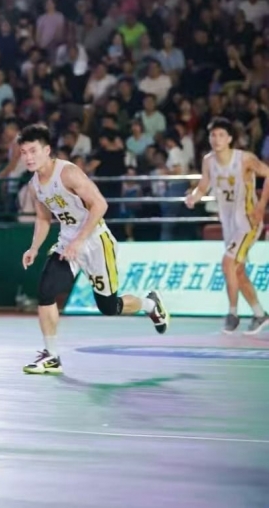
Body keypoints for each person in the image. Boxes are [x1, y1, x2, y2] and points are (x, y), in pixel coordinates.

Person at [18, 124, 169, 374]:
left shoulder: (68, 173)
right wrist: (34, 247)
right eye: (23, 152)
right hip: (68, 242)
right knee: (46, 290)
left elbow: (100, 204)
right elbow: (43, 218)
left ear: (47, 150)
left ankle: (150, 304)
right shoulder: (35, 184)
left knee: (109, 307)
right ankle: (52, 355)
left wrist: (80, 240)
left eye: (33, 151)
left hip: (96, 241)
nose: (28, 157)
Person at [185, 117, 269, 334]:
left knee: (227, 264)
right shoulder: (209, 161)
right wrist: (194, 197)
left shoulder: (244, 159)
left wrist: (261, 206)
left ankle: (232, 313)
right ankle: (260, 314)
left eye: (222, 135)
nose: (217, 139)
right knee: (238, 272)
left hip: (248, 222)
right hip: (229, 223)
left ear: (230, 138)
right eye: (213, 135)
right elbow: (203, 186)